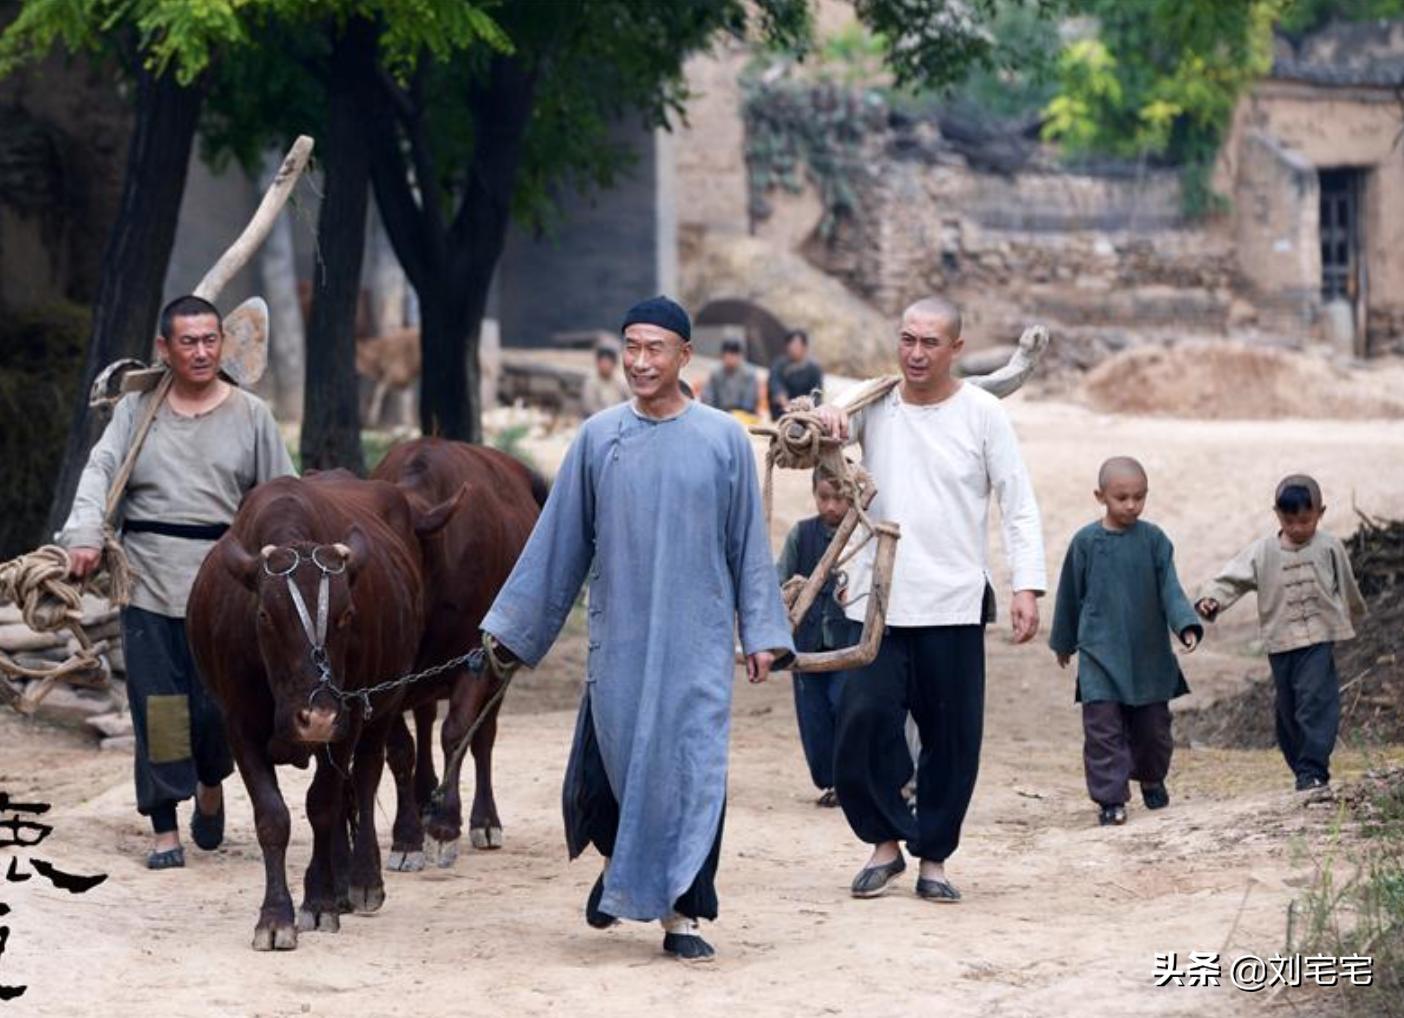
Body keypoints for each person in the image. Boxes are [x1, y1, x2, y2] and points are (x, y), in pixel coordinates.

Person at [480, 295, 793, 963]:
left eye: (655, 349)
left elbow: (748, 545)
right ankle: (622, 873)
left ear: (685, 357)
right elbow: (559, 542)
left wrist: (761, 630)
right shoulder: (598, 438)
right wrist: (513, 629)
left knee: (691, 772)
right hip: (619, 639)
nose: (640, 361)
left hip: (697, 641)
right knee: (616, 770)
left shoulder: (724, 438)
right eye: (632, 347)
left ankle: (683, 915)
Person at [814, 296, 1045, 904]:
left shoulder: (983, 414)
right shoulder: (874, 403)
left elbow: (1016, 503)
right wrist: (826, 418)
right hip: (877, 600)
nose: (916, 353)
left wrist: (1026, 584)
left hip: (953, 598)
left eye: (930, 343)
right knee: (861, 723)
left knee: (952, 735)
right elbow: (826, 429)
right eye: (907, 339)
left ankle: (933, 857)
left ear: (956, 350)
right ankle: (884, 843)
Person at [58, 294, 295, 869]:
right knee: (160, 709)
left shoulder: (250, 415)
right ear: (164, 349)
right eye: (187, 342)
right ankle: (165, 826)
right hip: (148, 577)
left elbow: (283, 496)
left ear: (224, 343)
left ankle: (211, 781)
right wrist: (85, 532)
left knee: (217, 712)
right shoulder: (137, 412)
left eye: (210, 340)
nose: (201, 351)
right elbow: (100, 472)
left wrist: (287, 560)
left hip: (227, 585)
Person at [1048, 457, 1202, 827]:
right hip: (1100, 654)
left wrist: (1186, 624)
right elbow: (1070, 593)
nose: (1131, 505)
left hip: (1148, 654)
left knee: (1153, 731)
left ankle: (1151, 776)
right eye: (1121, 498)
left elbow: (1171, 589)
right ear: (1100, 496)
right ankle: (1111, 800)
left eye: (1139, 497)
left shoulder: (1154, 541)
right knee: (1102, 731)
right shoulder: (1085, 543)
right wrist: (1064, 641)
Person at [1195, 474, 1366, 791]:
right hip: (1280, 641)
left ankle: (1314, 768)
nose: (1298, 528)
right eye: (1290, 521)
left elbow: (1348, 584)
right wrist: (1211, 599)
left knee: (1315, 700)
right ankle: (1300, 765)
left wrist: (1355, 618)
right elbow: (1231, 578)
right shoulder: (1262, 552)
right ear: (1277, 514)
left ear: (1320, 512)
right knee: (1288, 707)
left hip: (1319, 637)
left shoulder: (1330, 547)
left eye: (1306, 520)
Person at [775, 465, 861, 807]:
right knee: (813, 716)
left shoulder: (861, 536)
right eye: (824, 497)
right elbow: (780, 581)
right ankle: (830, 780)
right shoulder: (802, 534)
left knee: (847, 707)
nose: (831, 507)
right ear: (814, 495)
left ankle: (849, 781)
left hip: (847, 641)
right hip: (807, 642)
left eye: (840, 498)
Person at [768, 329, 824, 420]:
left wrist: (803, 407)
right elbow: (775, 384)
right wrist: (786, 404)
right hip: (783, 412)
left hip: (806, 413)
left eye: (796, 345)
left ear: (804, 347)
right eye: (791, 345)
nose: (792, 349)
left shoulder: (813, 369)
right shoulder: (779, 365)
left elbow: (817, 393)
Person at [701, 336, 761, 415]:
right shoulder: (716, 373)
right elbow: (708, 399)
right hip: (719, 414)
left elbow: (749, 403)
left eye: (735, 354)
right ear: (722, 355)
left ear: (741, 356)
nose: (732, 358)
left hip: (743, 416)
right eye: (729, 354)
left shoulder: (749, 374)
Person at [579, 339, 629, 418]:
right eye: (602, 362)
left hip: (620, 418)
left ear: (614, 364)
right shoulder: (591, 382)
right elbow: (590, 407)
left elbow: (631, 401)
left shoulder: (621, 381)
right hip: (598, 419)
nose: (604, 366)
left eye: (607, 363)